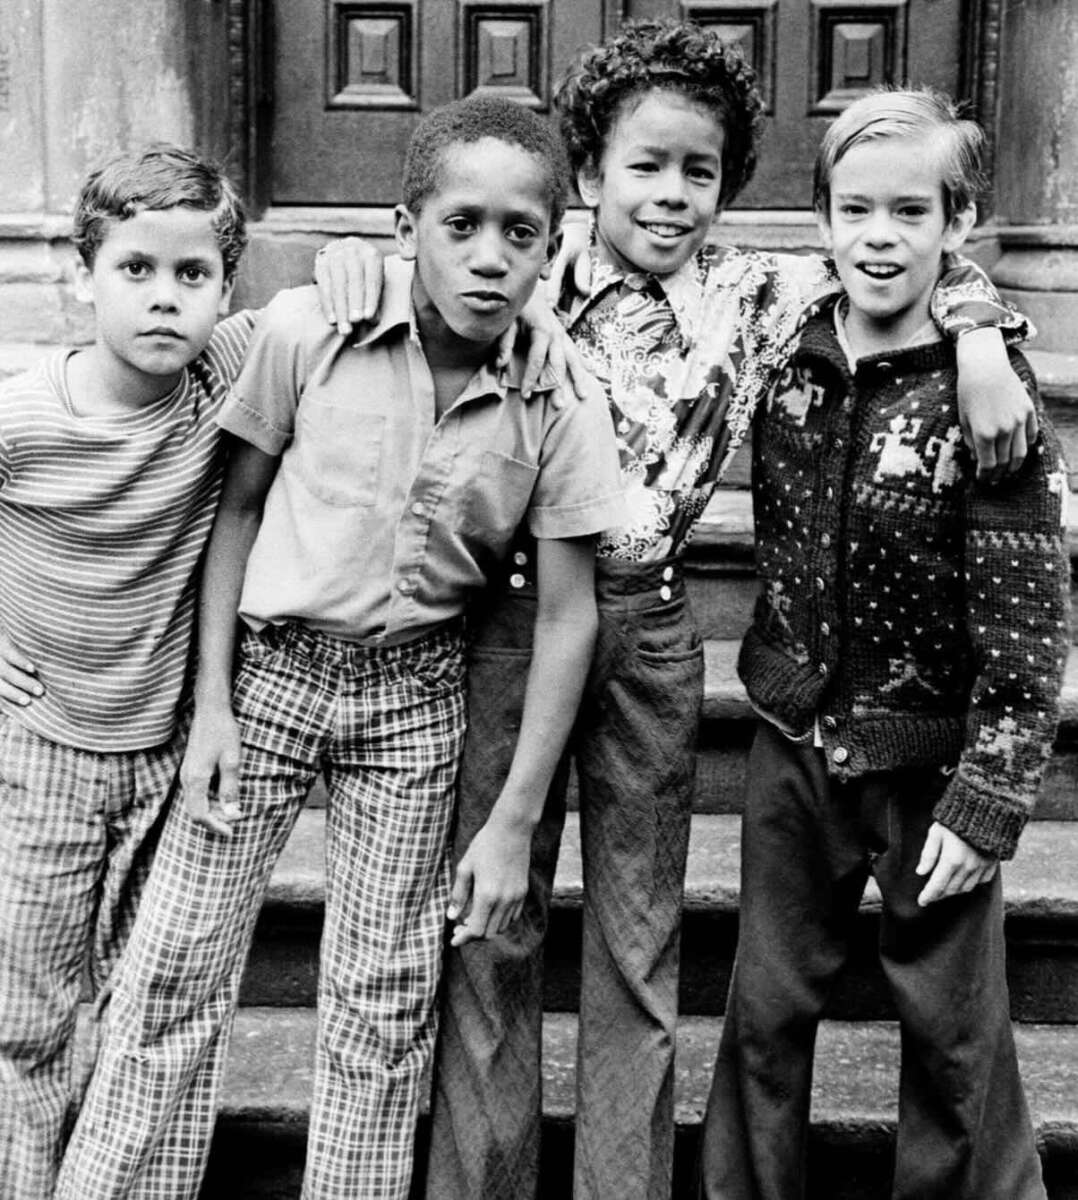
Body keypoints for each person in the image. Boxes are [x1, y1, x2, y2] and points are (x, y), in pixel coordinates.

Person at [53, 94, 625, 1200]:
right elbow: (236, 509)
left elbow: (567, 615)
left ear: (553, 250)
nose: (489, 257)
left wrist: (511, 822)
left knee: (379, 1001)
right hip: (268, 679)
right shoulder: (311, 330)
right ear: (405, 227)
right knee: (169, 972)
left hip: (413, 703)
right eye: (459, 225)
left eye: (521, 234)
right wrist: (210, 704)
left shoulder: (558, 397)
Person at [697, 86, 1068, 1200]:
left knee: (954, 1040)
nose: (877, 235)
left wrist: (989, 795)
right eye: (854, 209)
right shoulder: (784, 340)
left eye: (910, 212)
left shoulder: (991, 404)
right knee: (763, 1015)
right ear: (821, 218)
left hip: (932, 759)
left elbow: (1027, 613)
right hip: (794, 743)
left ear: (956, 225)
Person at [0, 144, 252, 1200]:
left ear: (226, 288)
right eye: (135, 270)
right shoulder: (23, 415)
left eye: (192, 277)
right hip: (44, 747)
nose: (164, 300)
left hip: (169, 750)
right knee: (27, 1016)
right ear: (81, 273)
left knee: (165, 1007)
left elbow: (341, 297)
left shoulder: (227, 379)